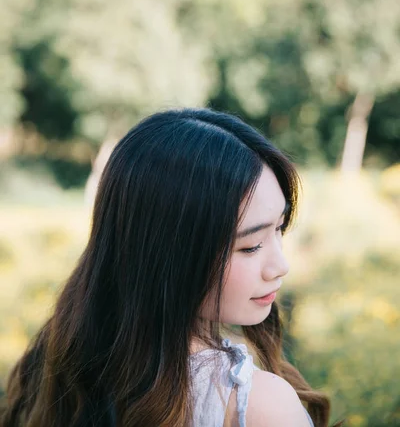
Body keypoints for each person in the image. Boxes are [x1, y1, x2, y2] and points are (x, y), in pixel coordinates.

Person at [1, 108, 342, 427]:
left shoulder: (58, 363)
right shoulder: (255, 404)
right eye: (250, 246)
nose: (280, 266)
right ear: (169, 255)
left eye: (279, 228)